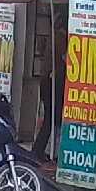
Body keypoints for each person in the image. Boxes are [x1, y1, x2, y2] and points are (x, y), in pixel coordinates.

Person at [33, 17, 68, 163]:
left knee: (50, 119)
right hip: (53, 83)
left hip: (48, 82)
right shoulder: (59, 38)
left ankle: (42, 150)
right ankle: (42, 151)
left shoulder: (52, 37)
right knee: (52, 120)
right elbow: (63, 58)